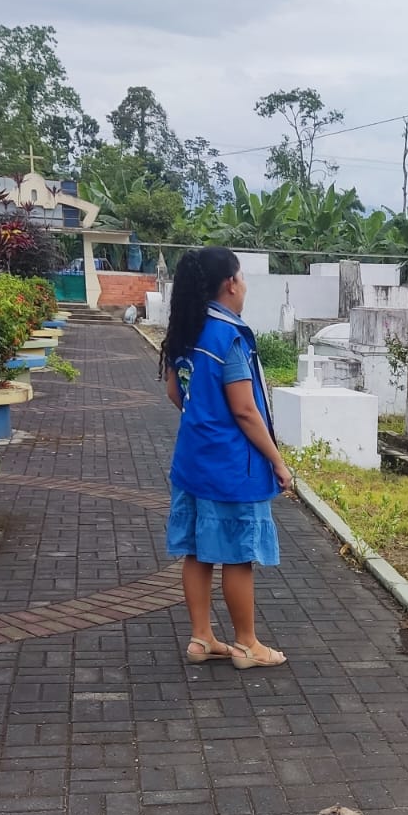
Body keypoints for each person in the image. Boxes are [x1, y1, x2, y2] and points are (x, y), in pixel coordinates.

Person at [159, 247, 293, 667]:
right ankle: (247, 645)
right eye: (243, 278)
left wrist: (203, 417)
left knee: (196, 551)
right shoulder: (228, 337)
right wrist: (278, 461)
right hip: (231, 467)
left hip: (192, 462)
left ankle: (201, 639)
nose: (245, 286)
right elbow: (245, 410)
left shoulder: (186, 329)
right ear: (231, 284)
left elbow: (175, 392)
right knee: (237, 555)